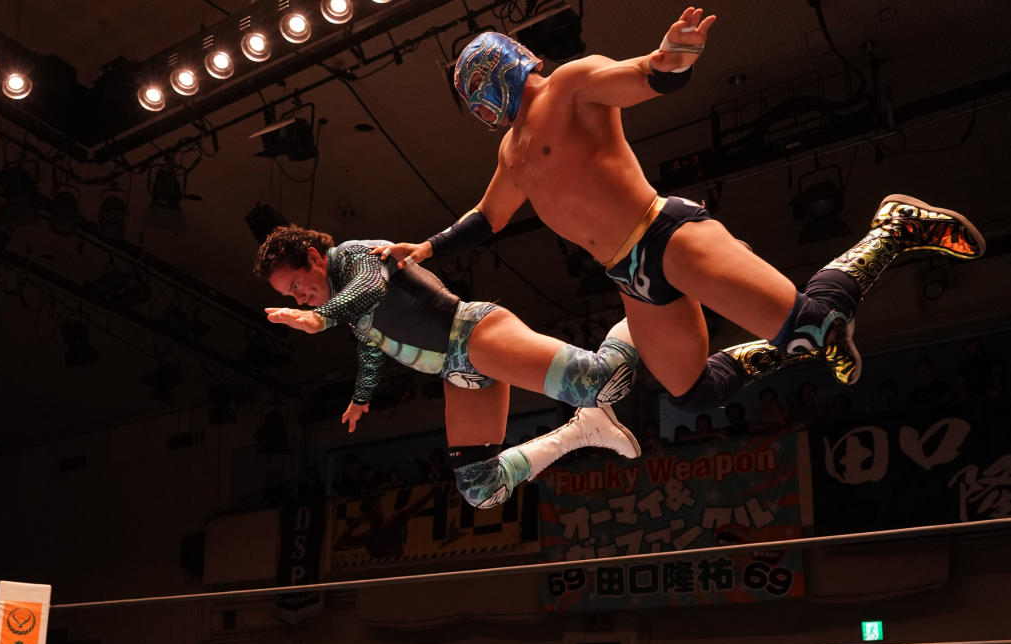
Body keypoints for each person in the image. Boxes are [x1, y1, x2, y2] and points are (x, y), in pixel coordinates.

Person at [380, 13, 985, 415]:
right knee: (690, 393)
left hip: (665, 234)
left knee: (812, 327)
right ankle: (801, 340)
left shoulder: (568, 84)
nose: (478, 108)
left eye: (472, 93)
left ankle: (895, 229)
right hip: (628, 274)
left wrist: (671, 59)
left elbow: (637, 77)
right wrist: (425, 251)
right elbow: (488, 217)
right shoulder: (510, 152)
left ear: (491, 76)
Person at [255, 225, 641, 511]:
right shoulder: (347, 302)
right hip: (457, 372)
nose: (299, 298)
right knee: (480, 488)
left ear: (312, 257)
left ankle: (648, 296)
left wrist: (320, 318)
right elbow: (373, 348)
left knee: (604, 381)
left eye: (296, 285)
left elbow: (372, 287)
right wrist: (360, 398)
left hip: (472, 335)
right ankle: (584, 430)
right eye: (292, 296)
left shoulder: (357, 255)